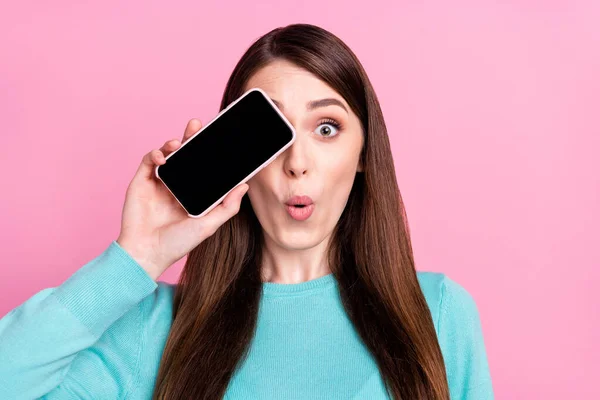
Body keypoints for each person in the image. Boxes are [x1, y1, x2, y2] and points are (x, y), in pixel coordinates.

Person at [0, 23, 493, 400]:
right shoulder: (154, 327)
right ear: (238, 158)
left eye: (326, 128)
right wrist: (138, 256)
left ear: (364, 154)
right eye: (274, 132)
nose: (297, 164)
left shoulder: (440, 313)